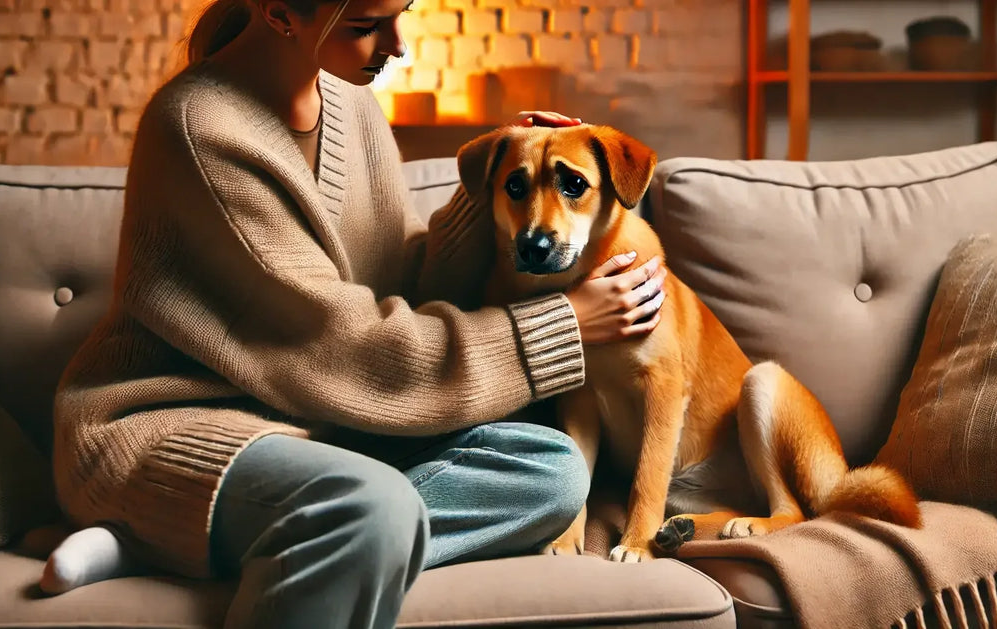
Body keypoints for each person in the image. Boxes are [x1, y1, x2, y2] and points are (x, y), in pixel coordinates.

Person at [41, 0, 668, 627]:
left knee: (551, 473)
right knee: (369, 509)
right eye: (367, 27)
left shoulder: (354, 107)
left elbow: (403, 288)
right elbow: (333, 348)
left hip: (332, 424)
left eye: (404, 13)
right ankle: (165, 522)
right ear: (281, 13)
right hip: (182, 427)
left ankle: (192, 545)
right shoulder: (197, 128)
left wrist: (502, 181)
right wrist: (561, 326)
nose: (398, 45)